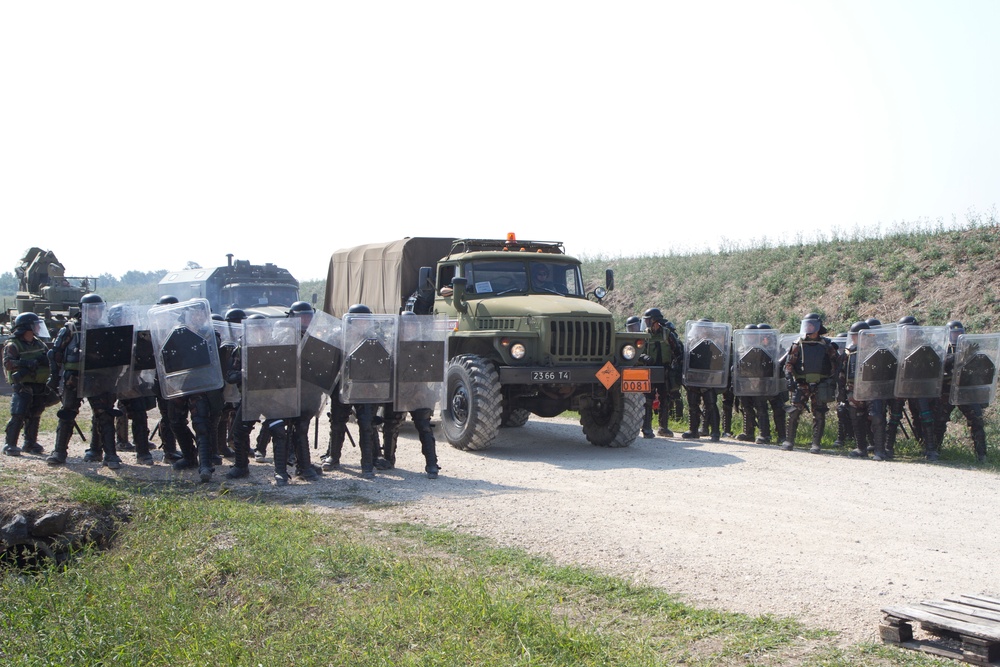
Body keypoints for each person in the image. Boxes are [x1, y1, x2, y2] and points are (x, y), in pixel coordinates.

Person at [46, 294, 123, 468]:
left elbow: (117, 355)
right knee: (67, 413)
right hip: (74, 378)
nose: (95, 312)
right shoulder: (71, 328)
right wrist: (54, 376)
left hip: (99, 379)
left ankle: (110, 455)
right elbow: (55, 353)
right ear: (82, 310)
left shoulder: (106, 329)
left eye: (98, 308)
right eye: (91, 308)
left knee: (105, 414)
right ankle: (59, 452)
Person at [322, 303, 378, 478]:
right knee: (337, 422)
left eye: (365, 321)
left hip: (365, 387)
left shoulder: (375, 338)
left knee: (366, 424)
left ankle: (367, 464)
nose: (362, 324)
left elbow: (382, 362)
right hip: (342, 386)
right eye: (358, 321)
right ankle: (333, 456)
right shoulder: (338, 336)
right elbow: (327, 362)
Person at [782, 313, 840, 453]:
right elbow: (789, 364)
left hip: (821, 383)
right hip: (802, 384)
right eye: (806, 325)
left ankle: (816, 444)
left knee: (819, 413)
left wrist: (832, 380)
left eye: (811, 325)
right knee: (794, 411)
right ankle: (789, 441)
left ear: (818, 327)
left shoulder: (827, 344)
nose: (808, 328)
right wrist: (789, 378)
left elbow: (836, 363)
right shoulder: (798, 344)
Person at [886, 316, 941, 461]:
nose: (905, 334)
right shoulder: (897, 346)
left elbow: (939, 359)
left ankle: (930, 448)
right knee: (895, 416)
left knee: (926, 416)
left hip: (920, 385)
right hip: (902, 384)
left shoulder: (926, 345)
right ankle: (888, 447)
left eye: (908, 331)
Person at [935, 320, 988, 462]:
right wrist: (958, 356)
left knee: (977, 420)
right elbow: (941, 364)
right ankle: (934, 452)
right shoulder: (942, 348)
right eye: (954, 334)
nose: (957, 336)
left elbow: (982, 368)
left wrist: (973, 357)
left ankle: (981, 455)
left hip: (966, 391)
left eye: (959, 333)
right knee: (939, 421)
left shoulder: (970, 347)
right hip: (947, 390)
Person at [3, 313, 52, 456]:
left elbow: (47, 356)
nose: (38, 327)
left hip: (38, 382)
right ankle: (10, 444)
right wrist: (25, 364)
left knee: (36, 412)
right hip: (22, 383)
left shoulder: (38, 343)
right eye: (35, 324)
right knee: (19, 412)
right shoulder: (13, 345)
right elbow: (8, 363)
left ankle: (30, 442)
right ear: (26, 327)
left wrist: (45, 360)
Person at [842, 321, 888, 461]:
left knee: (877, 417)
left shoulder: (879, 351)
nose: (854, 339)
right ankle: (861, 448)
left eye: (857, 336)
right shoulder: (850, 352)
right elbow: (842, 373)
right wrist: (841, 394)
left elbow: (887, 372)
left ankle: (880, 450)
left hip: (874, 391)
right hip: (854, 391)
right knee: (856, 418)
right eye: (853, 336)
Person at [638, 308, 681, 438]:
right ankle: (646, 428)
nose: (646, 322)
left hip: (665, 371)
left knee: (665, 399)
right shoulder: (644, 335)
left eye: (648, 320)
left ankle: (663, 428)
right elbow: (634, 353)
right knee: (648, 400)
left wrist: (675, 367)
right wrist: (644, 357)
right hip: (650, 371)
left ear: (655, 321)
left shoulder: (668, 334)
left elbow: (678, 351)